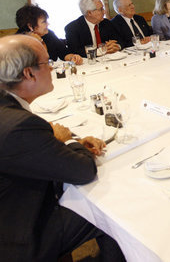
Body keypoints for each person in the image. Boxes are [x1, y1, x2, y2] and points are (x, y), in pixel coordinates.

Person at [0, 35, 124, 261]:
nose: (54, 67)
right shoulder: (19, 125)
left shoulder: (7, 108)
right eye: (47, 63)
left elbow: (32, 144)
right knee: (112, 210)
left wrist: (61, 140)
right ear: (28, 73)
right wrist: (68, 141)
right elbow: (84, 171)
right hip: (20, 236)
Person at [15, 4, 83, 64]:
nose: (48, 24)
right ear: (30, 26)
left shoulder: (49, 34)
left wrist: (72, 57)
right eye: (44, 22)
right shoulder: (16, 42)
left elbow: (63, 52)